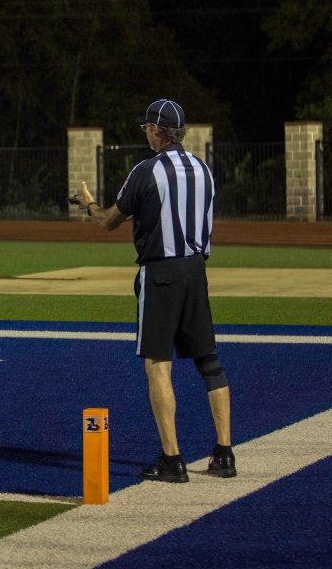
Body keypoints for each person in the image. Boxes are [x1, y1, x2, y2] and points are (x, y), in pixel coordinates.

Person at [73, 99, 235, 482]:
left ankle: (172, 459)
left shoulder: (146, 170)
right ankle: (224, 453)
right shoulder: (204, 169)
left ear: (159, 131)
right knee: (209, 361)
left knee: (158, 363)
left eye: (147, 127)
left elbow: (109, 221)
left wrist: (88, 204)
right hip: (196, 269)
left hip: (161, 271)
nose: (145, 132)